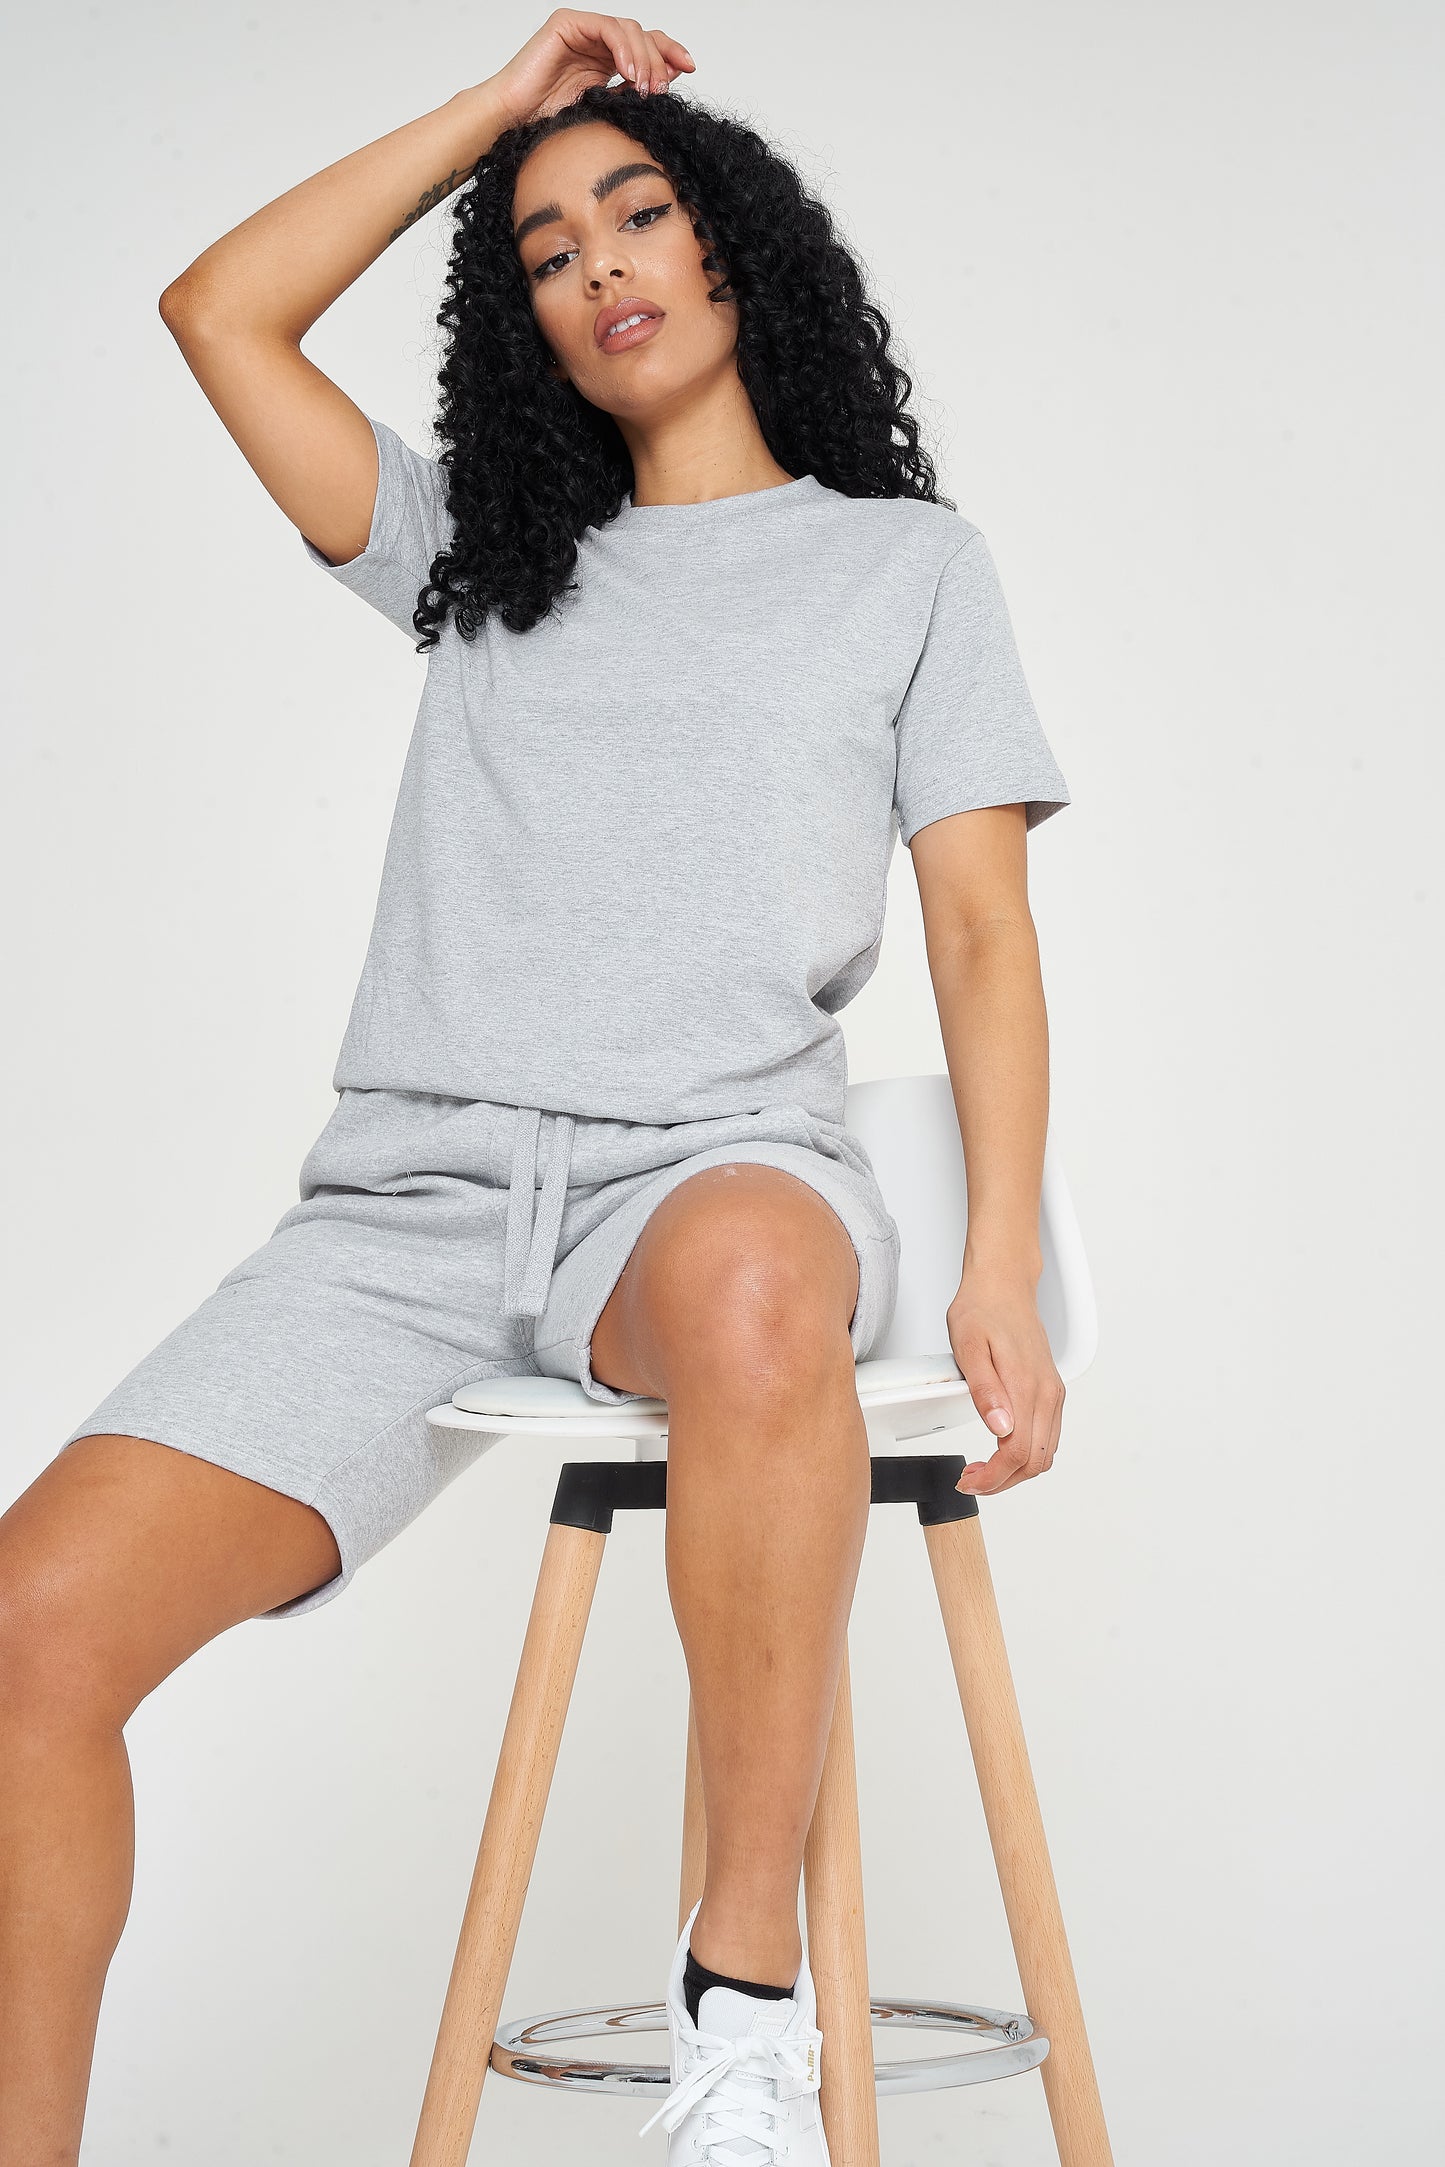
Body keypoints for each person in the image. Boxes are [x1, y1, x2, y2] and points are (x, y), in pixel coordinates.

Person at [0, 14, 1072, 2164]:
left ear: (734, 244)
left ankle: (740, 2014)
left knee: (757, 1272)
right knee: (30, 1638)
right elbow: (218, 310)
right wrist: (498, 115)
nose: (599, 265)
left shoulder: (905, 569)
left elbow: (977, 932)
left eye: (637, 211)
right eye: (547, 252)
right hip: (404, 1222)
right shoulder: (483, 559)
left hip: (705, 1186)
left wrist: (996, 1261)